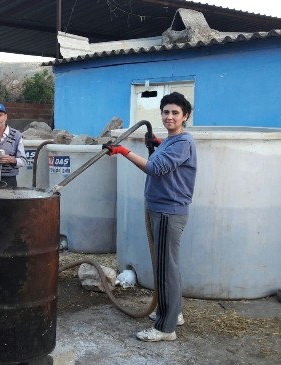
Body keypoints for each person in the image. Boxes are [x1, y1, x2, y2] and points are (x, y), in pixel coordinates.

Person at [102, 92, 197, 342]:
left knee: (166, 268)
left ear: (185, 116)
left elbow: (155, 168)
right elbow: (164, 160)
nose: (169, 116)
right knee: (168, 266)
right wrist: (155, 142)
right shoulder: (170, 141)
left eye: (175, 112)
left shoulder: (183, 142)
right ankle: (174, 313)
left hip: (168, 211)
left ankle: (165, 329)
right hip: (161, 208)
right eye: (166, 112)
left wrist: (122, 150)